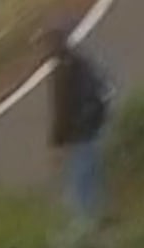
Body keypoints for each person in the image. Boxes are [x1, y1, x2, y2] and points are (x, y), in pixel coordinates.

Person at [40, 22, 115, 220]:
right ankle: (101, 219)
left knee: (82, 188)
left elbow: (62, 110)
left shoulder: (63, 70)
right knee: (92, 180)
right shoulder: (82, 62)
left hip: (80, 134)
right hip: (94, 128)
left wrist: (56, 143)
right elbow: (104, 89)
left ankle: (90, 227)